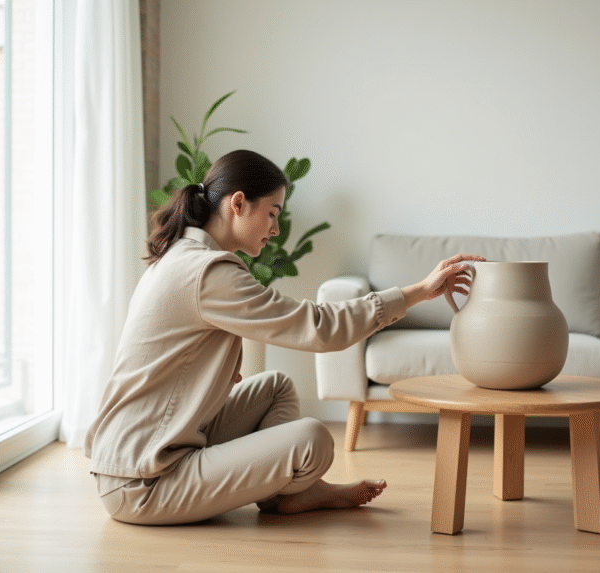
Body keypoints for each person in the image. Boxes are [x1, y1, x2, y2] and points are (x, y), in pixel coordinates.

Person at [84, 149, 483, 525]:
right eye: (272, 213)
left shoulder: (182, 256)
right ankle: (295, 488)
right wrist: (418, 292)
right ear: (238, 203)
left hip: (146, 452)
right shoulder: (208, 273)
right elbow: (319, 327)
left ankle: (292, 495)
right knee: (312, 439)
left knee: (276, 388)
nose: (275, 229)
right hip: (144, 481)